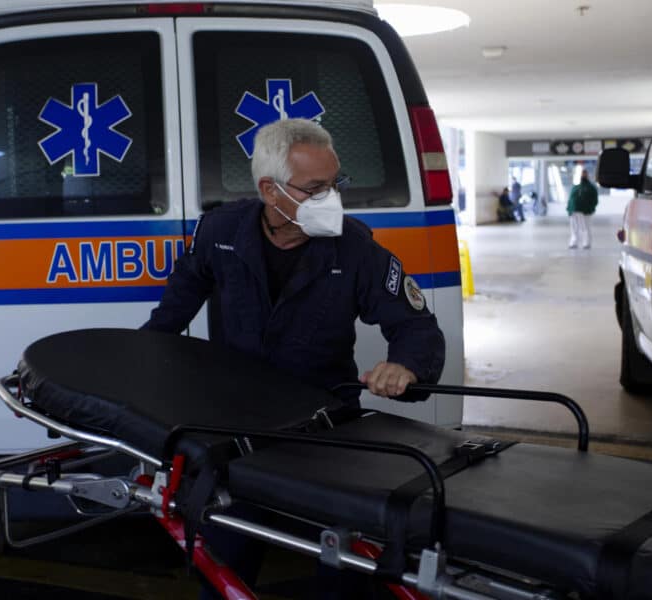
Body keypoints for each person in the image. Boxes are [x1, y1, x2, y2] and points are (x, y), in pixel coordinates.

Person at [141, 118, 446, 598]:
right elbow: (167, 320)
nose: (333, 199)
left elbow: (416, 326)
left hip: (324, 433)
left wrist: (405, 365)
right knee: (220, 569)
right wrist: (132, 380)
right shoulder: (220, 234)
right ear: (270, 190)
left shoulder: (356, 248)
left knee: (345, 574)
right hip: (238, 435)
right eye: (316, 188)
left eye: (335, 184)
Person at [567, 169, 598, 248]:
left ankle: (586, 243)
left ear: (587, 175)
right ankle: (574, 242)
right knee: (574, 228)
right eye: (582, 174)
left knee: (585, 227)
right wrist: (569, 209)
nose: (583, 175)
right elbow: (570, 199)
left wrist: (591, 208)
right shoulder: (576, 187)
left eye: (584, 174)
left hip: (585, 211)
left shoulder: (591, 188)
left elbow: (594, 200)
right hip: (573, 211)